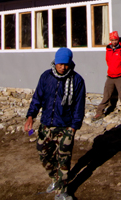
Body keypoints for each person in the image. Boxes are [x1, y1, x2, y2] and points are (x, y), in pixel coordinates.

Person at [24, 48, 86, 200]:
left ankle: (62, 192)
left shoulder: (77, 80)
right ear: (55, 62)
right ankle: (55, 180)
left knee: (63, 160)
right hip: (46, 125)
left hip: (65, 127)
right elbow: (37, 98)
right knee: (43, 154)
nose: (63, 67)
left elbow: (79, 106)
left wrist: (73, 128)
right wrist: (30, 116)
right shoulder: (46, 77)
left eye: (66, 64)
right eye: (60, 64)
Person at [93, 31, 121, 122]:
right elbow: (107, 61)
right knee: (106, 96)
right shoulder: (108, 49)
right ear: (110, 40)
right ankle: (99, 112)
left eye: (115, 39)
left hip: (120, 77)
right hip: (110, 76)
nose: (114, 41)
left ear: (118, 39)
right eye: (112, 40)